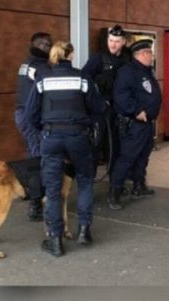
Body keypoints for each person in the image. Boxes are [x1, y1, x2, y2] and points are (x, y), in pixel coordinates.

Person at [23, 41, 105, 257]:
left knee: (52, 189)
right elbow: (98, 107)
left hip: (51, 136)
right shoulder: (81, 78)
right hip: (78, 135)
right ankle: (84, 231)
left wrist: (44, 130)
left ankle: (56, 241)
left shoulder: (43, 79)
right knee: (85, 181)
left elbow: (30, 113)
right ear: (70, 55)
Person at [107, 39, 162, 210]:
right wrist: (137, 111)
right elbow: (121, 96)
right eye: (150, 53)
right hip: (134, 123)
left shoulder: (145, 71)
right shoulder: (128, 72)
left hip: (146, 124)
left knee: (143, 156)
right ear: (142, 54)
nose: (152, 56)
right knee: (127, 157)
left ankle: (139, 186)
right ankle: (114, 192)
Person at [82, 25, 131, 175]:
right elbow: (84, 79)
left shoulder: (127, 59)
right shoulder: (98, 58)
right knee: (95, 144)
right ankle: (89, 179)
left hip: (120, 108)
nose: (113, 44)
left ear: (123, 42)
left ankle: (115, 181)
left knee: (116, 145)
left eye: (117, 41)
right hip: (101, 109)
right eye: (110, 40)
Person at [14, 32, 52, 221]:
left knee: (33, 155)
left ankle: (32, 194)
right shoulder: (40, 67)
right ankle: (36, 204)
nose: (49, 47)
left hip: (23, 115)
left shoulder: (27, 63)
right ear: (38, 45)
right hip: (32, 117)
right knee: (38, 160)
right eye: (47, 45)